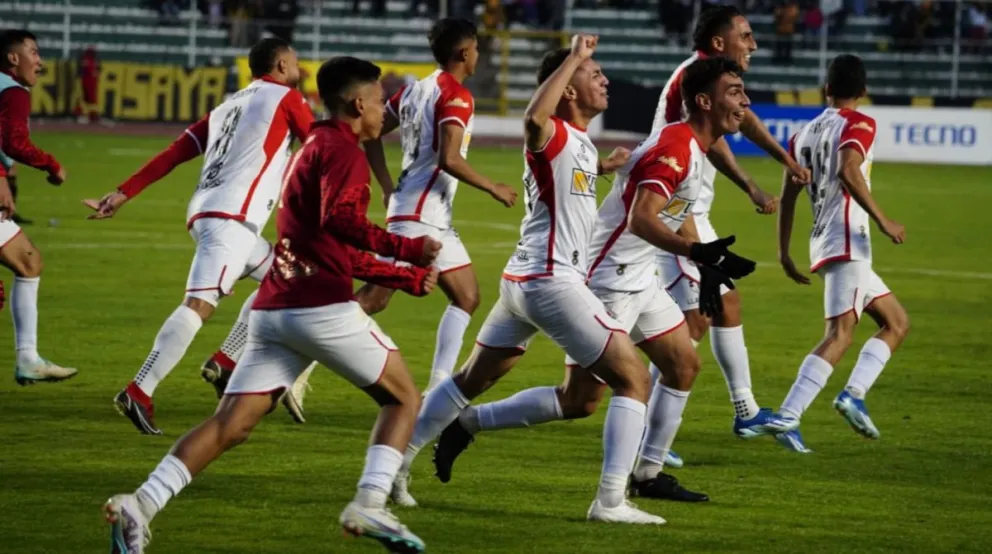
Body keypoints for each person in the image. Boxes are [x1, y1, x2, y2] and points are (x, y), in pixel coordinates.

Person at [103, 55, 441, 554]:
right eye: (377, 100)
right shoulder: (344, 153)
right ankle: (369, 502)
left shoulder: (309, 148)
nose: (382, 111)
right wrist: (407, 254)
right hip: (319, 306)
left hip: (273, 309)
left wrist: (401, 276)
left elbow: (324, 240)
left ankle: (140, 504)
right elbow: (342, 226)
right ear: (357, 103)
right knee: (404, 398)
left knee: (229, 426)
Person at [428, 57, 778, 507]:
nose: (744, 101)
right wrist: (694, 253)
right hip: (606, 279)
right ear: (705, 101)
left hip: (640, 278)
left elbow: (679, 206)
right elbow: (641, 219)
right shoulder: (675, 146)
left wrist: (706, 266)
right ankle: (469, 423)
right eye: (735, 92)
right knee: (580, 402)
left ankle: (648, 474)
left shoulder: (690, 147)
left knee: (684, 365)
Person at [391, 35, 671, 525]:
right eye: (592, 73)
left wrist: (603, 168)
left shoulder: (579, 143)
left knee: (472, 378)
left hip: (524, 280)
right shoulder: (554, 130)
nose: (602, 78)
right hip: (551, 281)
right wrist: (574, 58)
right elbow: (534, 121)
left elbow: (565, 190)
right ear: (566, 88)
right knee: (634, 379)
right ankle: (608, 502)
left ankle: (395, 463)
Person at [84, 37, 314, 435]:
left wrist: (124, 192)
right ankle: (139, 390)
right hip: (232, 218)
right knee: (198, 305)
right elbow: (321, 144)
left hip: (211, 211)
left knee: (293, 280)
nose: (300, 68)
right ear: (279, 65)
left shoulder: (228, 105)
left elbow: (176, 151)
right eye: (294, 62)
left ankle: (226, 361)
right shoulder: (288, 98)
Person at [649, 5, 812, 448]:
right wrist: (754, 186)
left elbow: (733, 126)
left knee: (723, 306)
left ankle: (745, 411)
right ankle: (646, 431)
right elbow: (713, 138)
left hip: (688, 207)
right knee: (694, 322)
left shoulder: (709, 75)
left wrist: (780, 163)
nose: (753, 44)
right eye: (745, 35)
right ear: (719, 43)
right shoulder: (699, 77)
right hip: (673, 209)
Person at [353, 18, 517, 395]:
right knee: (374, 298)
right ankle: (300, 361)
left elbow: (372, 132)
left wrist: (385, 184)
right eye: (476, 49)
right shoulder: (456, 95)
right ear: (464, 52)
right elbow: (449, 158)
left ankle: (438, 386)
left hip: (427, 213)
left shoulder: (414, 90)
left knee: (466, 296)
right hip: (420, 215)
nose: (478, 55)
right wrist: (492, 186)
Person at [772, 54, 910, 452]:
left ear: (826, 89)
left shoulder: (803, 135)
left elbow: (788, 196)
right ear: (863, 91)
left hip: (826, 239)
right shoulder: (860, 123)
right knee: (840, 334)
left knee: (896, 323)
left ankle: (853, 394)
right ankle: (788, 417)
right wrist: (884, 220)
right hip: (848, 239)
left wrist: (783, 252)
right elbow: (850, 170)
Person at [0, 29, 76, 385]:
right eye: (33, 51)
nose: (40, 61)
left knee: (28, 261)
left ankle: (28, 358)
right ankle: (28, 358)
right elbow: (14, 142)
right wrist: (51, 164)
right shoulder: (13, 91)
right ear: (13, 58)